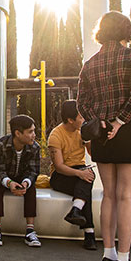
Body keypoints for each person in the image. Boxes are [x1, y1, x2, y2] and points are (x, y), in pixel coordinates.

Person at [76, 11, 131, 261]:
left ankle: (107, 258)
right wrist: (119, 122)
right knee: (126, 196)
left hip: (101, 133)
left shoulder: (90, 64)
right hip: (130, 128)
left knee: (108, 195)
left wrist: (102, 122)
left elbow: (82, 102)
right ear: (126, 30)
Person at [0, 115, 42, 247]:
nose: (34, 135)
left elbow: (33, 171)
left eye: (34, 131)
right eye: (30, 132)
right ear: (18, 133)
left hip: (21, 177)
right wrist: (9, 183)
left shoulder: (35, 147)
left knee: (31, 188)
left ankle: (30, 231)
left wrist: (26, 183)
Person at [47, 100, 97, 249]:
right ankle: (89, 234)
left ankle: (77, 211)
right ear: (70, 120)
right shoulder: (56, 135)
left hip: (79, 169)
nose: (84, 120)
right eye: (81, 117)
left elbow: (93, 155)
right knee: (85, 183)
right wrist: (79, 174)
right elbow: (59, 166)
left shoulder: (82, 131)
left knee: (87, 177)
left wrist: (89, 139)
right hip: (60, 175)